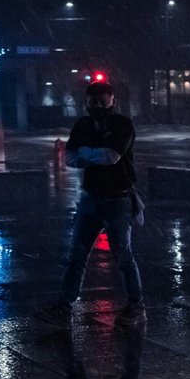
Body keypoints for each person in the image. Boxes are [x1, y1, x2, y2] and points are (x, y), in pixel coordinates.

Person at [41, 81, 145, 325]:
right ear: (86, 102)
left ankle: (136, 305)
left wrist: (85, 152)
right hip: (90, 199)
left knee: (123, 256)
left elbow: (111, 157)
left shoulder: (122, 124)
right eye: (93, 100)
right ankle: (64, 306)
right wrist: (95, 153)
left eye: (103, 100)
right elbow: (69, 158)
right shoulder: (83, 125)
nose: (98, 104)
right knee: (77, 254)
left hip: (118, 199)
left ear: (113, 100)